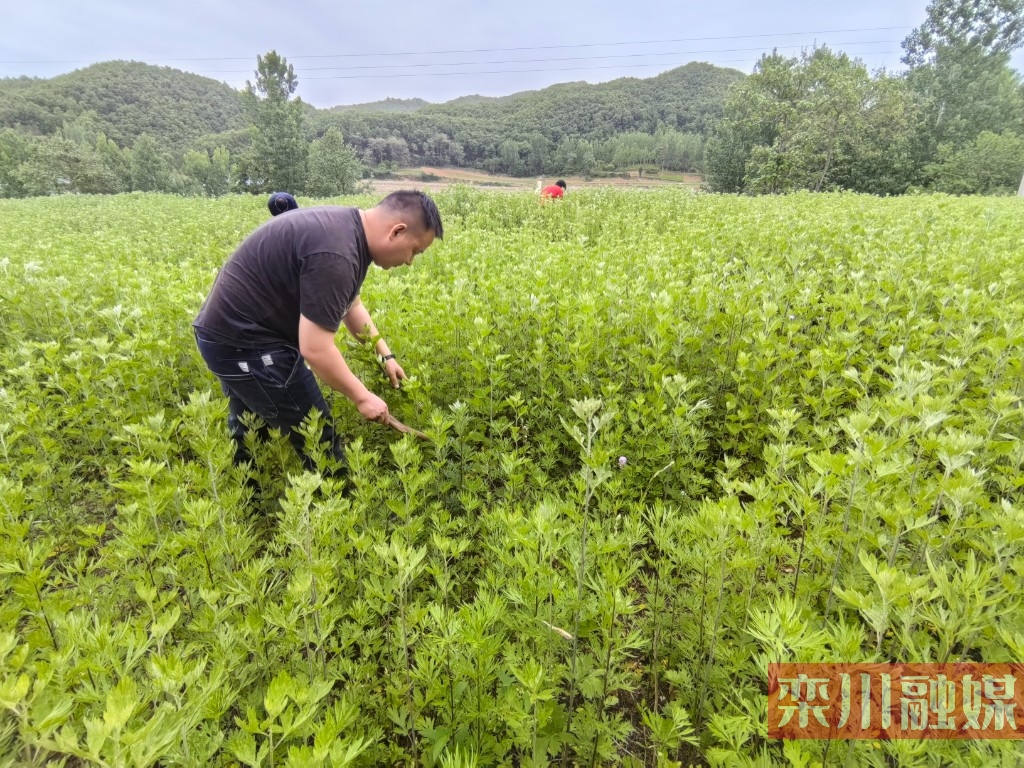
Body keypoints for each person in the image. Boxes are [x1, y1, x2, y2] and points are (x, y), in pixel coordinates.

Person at [193, 189, 443, 473]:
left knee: (252, 428)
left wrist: (385, 355)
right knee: (317, 435)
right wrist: (362, 397)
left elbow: (351, 304)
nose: (410, 262)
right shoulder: (336, 254)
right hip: (246, 346)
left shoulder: (346, 229)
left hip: (229, 338)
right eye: (415, 251)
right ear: (397, 231)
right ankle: (338, 508)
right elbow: (315, 348)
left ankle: (244, 495)